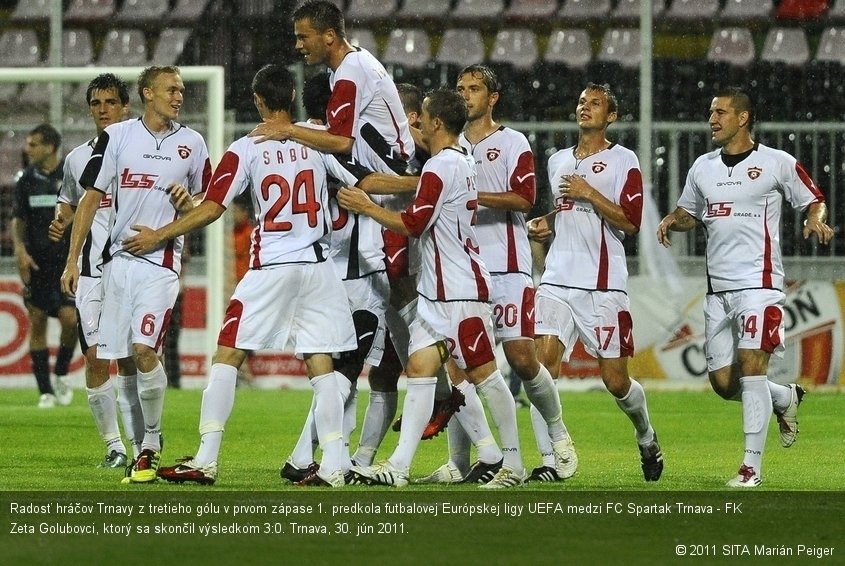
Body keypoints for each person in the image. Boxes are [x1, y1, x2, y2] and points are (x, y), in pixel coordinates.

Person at [134, 64, 362, 487]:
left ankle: (205, 458)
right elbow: (361, 187)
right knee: (322, 364)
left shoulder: (247, 147)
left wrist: (159, 235)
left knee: (228, 355)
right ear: (291, 98)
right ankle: (334, 464)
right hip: (317, 267)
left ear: (258, 101)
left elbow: (213, 207)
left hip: (270, 268)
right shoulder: (317, 140)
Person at [340, 88, 526, 488]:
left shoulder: (441, 167)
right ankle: (400, 466)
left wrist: (366, 205)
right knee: (421, 370)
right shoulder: (460, 160)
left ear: (437, 123)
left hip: (460, 293)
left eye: (422, 116)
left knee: (486, 378)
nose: (418, 123)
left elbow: (413, 224)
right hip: (436, 293)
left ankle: (512, 463)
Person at [657, 86, 832, 487]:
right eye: (710, 112)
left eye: (720, 112)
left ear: (743, 118)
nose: (712, 119)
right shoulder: (702, 167)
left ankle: (751, 468)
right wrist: (671, 219)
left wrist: (813, 218)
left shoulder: (776, 162)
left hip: (759, 285)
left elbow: (813, 197)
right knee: (723, 384)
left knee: (752, 368)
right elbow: (690, 212)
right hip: (717, 291)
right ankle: (784, 397)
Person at [420, 65, 576, 485]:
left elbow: (523, 198)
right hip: (462, 273)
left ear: (493, 99)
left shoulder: (512, 142)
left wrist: (465, 193)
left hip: (506, 268)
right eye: (460, 88)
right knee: (458, 367)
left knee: (522, 359)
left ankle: (557, 437)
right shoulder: (443, 149)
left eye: (475, 89)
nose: (466, 95)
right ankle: (460, 462)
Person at [61, 65, 211, 483]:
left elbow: (209, 203)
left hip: (161, 264)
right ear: (148, 93)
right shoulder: (118, 138)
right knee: (115, 356)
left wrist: (188, 202)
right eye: (170, 90)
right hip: (116, 265)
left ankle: (151, 439)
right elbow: (90, 200)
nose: (178, 96)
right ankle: (126, 446)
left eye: (181, 90)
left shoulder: (192, 143)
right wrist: (74, 260)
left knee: (145, 351)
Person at [528, 83, 663, 482]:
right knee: (539, 367)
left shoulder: (623, 160)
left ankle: (646, 435)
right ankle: (554, 457)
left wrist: (589, 192)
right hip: (557, 280)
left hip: (603, 285)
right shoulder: (556, 161)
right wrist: (547, 223)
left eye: (595, 103)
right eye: (582, 102)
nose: (585, 108)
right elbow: (567, 212)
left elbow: (631, 221)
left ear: (612, 116)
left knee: (615, 381)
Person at [49, 73, 143, 467]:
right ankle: (114, 445)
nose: (102, 110)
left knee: (134, 355)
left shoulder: (145, 150)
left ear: (125, 107)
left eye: (110, 102)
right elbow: (71, 202)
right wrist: (61, 220)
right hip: (92, 270)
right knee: (95, 355)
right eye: (95, 103)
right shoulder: (76, 158)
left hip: (136, 266)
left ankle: (143, 441)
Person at [12, 124, 77, 409]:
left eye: (34, 144)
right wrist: (20, 250)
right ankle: (45, 391)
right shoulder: (26, 179)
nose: (29, 149)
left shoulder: (70, 175)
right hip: (36, 261)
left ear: (50, 147)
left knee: (71, 321)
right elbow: (18, 220)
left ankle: (62, 372)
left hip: (64, 262)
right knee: (36, 321)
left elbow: (83, 212)